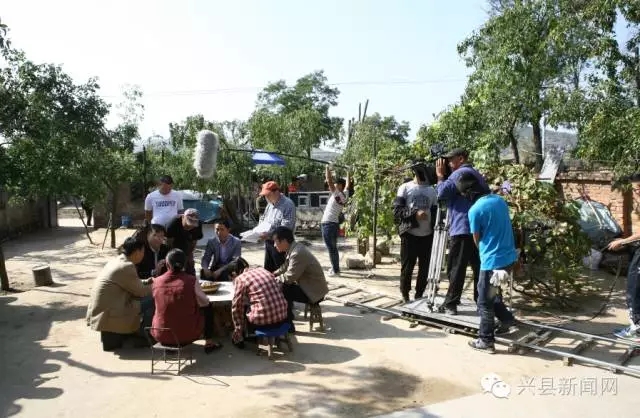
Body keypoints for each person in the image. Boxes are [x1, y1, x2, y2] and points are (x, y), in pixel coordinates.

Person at [456, 171, 517, 353]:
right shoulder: (500, 201)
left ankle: (486, 340)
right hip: (508, 258)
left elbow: (476, 239)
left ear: (468, 194)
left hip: (491, 261)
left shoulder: (474, 210)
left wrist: (484, 252)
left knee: (484, 302)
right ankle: (507, 320)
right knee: (492, 294)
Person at [435, 148, 490, 315]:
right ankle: (482, 303)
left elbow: (441, 193)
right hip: (478, 228)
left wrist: (440, 176)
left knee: (456, 267)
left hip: (462, 227)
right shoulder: (476, 173)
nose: (448, 163)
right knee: (479, 267)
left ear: (460, 158)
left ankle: (450, 304)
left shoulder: (459, 173)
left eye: (451, 159)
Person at [86, 237, 154, 351]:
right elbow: (141, 292)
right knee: (154, 298)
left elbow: (130, 283)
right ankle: (143, 336)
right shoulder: (127, 266)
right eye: (143, 251)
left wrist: (147, 281)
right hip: (112, 311)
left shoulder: (117, 261)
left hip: (105, 309)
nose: (144, 254)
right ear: (137, 252)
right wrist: (158, 285)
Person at [150, 249, 222, 353]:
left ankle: (169, 341)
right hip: (187, 334)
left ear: (167, 264)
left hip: (160, 334)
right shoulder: (191, 281)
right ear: (184, 264)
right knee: (208, 308)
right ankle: (209, 342)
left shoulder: (156, 282)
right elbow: (205, 302)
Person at [393, 161, 438, 302]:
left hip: (427, 235)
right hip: (409, 234)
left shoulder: (432, 190)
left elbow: (435, 212)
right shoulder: (405, 188)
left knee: (425, 267)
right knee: (407, 266)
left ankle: (419, 294)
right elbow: (397, 211)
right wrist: (415, 214)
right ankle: (405, 294)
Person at [272, 226, 329, 332]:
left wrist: (273, 280)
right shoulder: (293, 248)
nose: (274, 245)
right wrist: (273, 274)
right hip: (310, 286)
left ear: (284, 241)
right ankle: (287, 319)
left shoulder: (297, 253)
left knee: (282, 289)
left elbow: (290, 277)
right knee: (282, 285)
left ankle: (288, 325)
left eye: (276, 242)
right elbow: (285, 267)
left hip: (314, 292)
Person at [229, 257, 289, 348]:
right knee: (254, 303)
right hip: (283, 315)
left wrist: (237, 330)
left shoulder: (240, 279)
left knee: (242, 307)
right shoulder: (264, 270)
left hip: (264, 320)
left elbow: (236, 306)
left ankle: (243, 337)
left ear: (234, 273)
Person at [608, 173, 640, 340]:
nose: (636, 192)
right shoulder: (637, 202)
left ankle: (636, 329)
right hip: (636, 247)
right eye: (634, 189)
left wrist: (623, 241)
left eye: (639, 188)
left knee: (634, 289)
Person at [258, 181, 297, 272]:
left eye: (268, 195)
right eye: (265, 195)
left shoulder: (288, 204)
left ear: (276, 192)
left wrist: (269, 234)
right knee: (269, 271)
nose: (266, 197)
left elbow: (286, 228)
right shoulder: (270, 204)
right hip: (269, 243)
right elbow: (263, 218)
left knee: (281, 271)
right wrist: (258, 229)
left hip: (281, 245)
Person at [321, 165, 350, 277]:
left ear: (340, 186)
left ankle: (336, 270)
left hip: (328, 224)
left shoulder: (337, 194)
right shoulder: (345, 194)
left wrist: (327, 168)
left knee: (331, 248)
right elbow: (348, 185)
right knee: (333, 247)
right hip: (333, 224)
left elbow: (329, 181)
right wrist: (348, 172)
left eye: (337, 184)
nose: (335, 185)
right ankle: (335, 267)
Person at [166, 208, 204, 275]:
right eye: (188, 225)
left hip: (187, 243)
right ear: (183, 217)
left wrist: (189, 254)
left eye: (192, 225)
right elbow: (168, 243)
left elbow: (194, 241)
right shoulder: (173, 224)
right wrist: (173, 256)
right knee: (174, 265)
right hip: (174, 243)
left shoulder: (198, 224)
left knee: (190, 264)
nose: (190, 227)